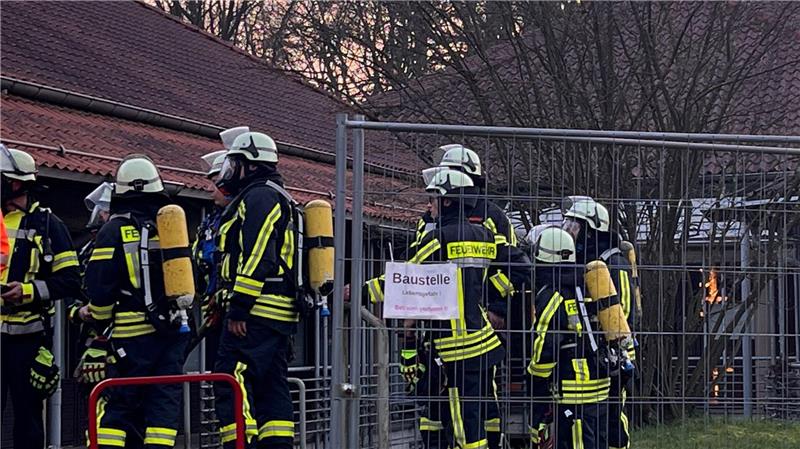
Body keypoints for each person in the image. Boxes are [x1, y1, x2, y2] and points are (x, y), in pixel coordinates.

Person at [373, 168, 505, 449]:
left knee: (462, 425)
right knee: (478, 414)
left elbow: (401, 279)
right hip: (483, 342)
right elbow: (505, 276)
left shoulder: (437, 239)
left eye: (432, 199)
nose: (428, 206)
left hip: (455, 348)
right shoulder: (484, 236)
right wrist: (497, 306)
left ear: (447, 201)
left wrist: (357, 291)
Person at [85, 155, 190, 449]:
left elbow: (100, 286)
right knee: (162, 406)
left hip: (130, 339)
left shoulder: (113, 230)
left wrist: (97, 321)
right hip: (172, 334)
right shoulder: (169, 227)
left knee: (117, 406)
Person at [213, 131, 298, 449]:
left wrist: (239, 307)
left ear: (250, 166)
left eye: (234, 164)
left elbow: (259, 254)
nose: (230, 171)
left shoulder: (260, 196)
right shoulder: (271, 194)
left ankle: (240, 443)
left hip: (256, 311)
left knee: (231, 377)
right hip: (273, 312)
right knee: (270, 385)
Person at [1, 145, 81, 449]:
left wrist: (28, 291)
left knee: (28, 421)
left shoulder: (48, 226)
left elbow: (70, 281)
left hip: (29, 340)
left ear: (15, 183)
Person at [562, 196, 635, 449]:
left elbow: (624, 311)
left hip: (617, 351)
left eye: (575, 226)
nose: (570, 232)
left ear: (592, 231)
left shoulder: (614, 264)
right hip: (598, 352)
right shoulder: (589, 264)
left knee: (613, 417)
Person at [526, 226, 610, 449]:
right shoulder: (585, 286)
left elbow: (546, 343)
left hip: (574, 388)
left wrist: (535, 377)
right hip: (600, 384)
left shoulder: (552, 294)